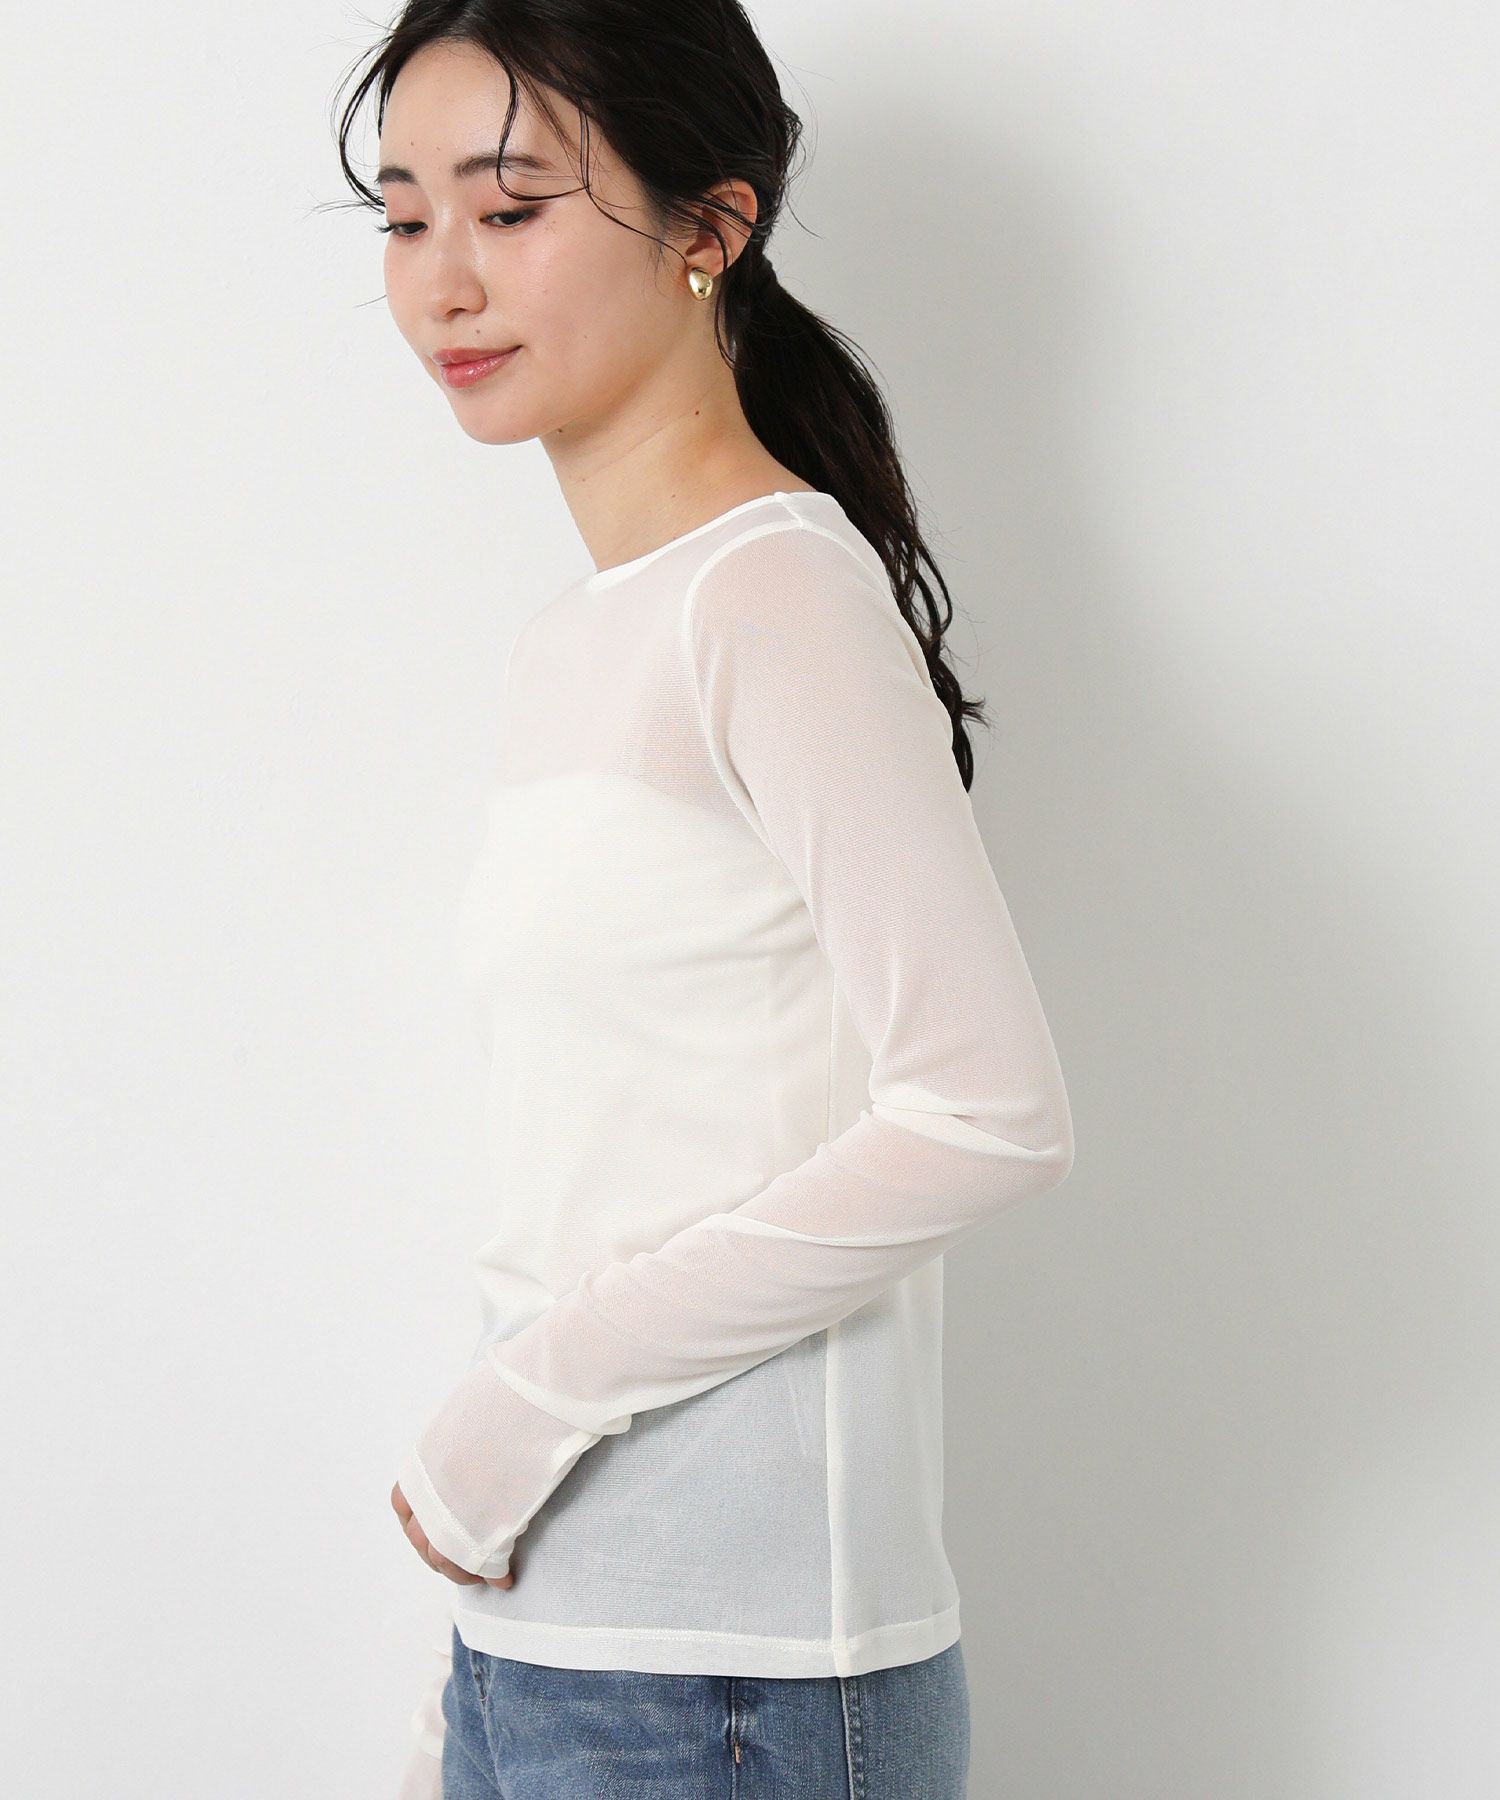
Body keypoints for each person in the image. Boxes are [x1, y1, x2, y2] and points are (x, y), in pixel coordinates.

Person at [331, 6, 1075, 1795]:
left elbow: (986, 1112)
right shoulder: (584, 635)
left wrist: (525, 1405)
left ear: (711, 225)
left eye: (512, 208)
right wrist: (481, 1640)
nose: (443, 280)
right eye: (405, 216)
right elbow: (606, 1172)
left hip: (736, 1683)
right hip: (544, 1645)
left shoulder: (773, 596)